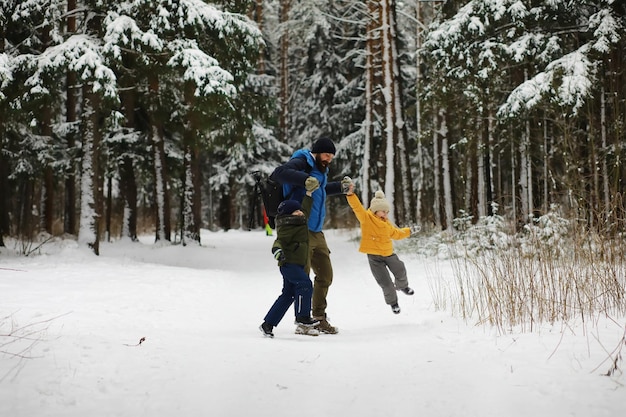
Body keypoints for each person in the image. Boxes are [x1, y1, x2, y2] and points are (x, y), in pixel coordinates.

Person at [271, 137, 349, 334]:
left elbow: (320, 189)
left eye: (331, 156)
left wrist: (340, 187)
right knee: (302, 278)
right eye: (326, 154)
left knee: (325, 274)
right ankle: (303, 322)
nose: (329, 159)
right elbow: (278, 173)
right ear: (317, 152)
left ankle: (319, 317)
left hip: (316, 230)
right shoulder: (302, 161)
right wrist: (304, 179)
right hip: (299, 230)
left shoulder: (321, 171)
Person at [259, 178, 322, 338]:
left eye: (300, 211)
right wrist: (277, 251)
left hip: (297, 264)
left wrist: (308, 194)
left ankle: (268, 324)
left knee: (288, 294)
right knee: (305, 284)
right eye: (297, 211)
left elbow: (306, 207)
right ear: (289, 214)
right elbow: (278, 241)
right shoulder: (286, 226)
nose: (300, 212)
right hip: (289, 263)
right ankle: (302, 316)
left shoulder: (300, 221)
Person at [345, 185, 417, 314]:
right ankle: (393, 303)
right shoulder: (366, 218)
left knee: (400, 269)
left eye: (387, 211)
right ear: (376, 210)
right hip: (374, 258)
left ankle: (402, 286)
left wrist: (409, 231)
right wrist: (350, 195)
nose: (386, 214)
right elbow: (357, 208)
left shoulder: (386, 223)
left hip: (389, 254)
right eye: (383, 211)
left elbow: (396, 234)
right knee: (385, 282)